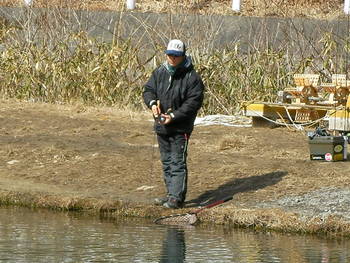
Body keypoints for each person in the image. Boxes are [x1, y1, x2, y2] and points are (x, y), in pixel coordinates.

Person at [143, 39, 204, 209]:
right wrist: (152, 103)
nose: (172, 59)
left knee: (177, 161)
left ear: (183, 56)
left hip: (180, 127)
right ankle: (171, 194)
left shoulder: (192, 77)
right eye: (170, 55)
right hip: (162, 125)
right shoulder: (159, 72)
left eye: (176, 56)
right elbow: (148, 90)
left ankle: (177, 198)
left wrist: (173, 116)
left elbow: (193, 103)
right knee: (167, 161)